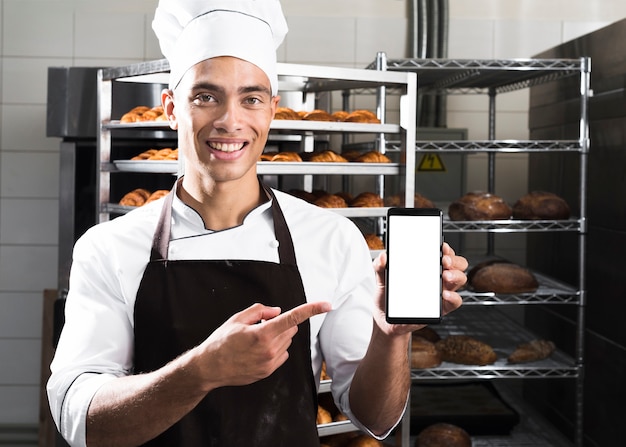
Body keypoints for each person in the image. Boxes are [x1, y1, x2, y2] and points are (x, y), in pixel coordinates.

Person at [47, 1, 468, 446]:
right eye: (206, 96)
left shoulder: (331, 238)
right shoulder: (109, 246)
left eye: (251, 99)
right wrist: (200, 372)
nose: (231, 120)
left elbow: (374, 419)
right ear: (171, 108)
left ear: (272, 110)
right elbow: (80, 422)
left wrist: (389, 334)